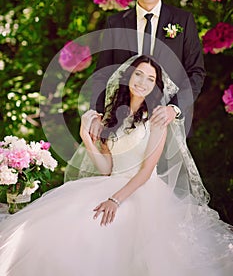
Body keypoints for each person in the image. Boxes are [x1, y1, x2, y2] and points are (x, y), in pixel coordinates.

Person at [0, 55, 232, 276]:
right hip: (110, 183)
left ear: (155, 86)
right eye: (139, 75)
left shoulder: (157, 119)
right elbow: (106, 169)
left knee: (103, 226)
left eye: (150, 79)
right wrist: (86, 137)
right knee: (67, 219)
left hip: (142, 190)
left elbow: (146, 171)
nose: (143, 82)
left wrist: (115, 199)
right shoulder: (112, 116)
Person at [90, 0, 205, 141]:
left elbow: (196, 72)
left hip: (167, 123)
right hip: (122, 123)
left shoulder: (183, 20)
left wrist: (173, 108)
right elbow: (103, 72)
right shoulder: (116, 23)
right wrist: (96, 113)